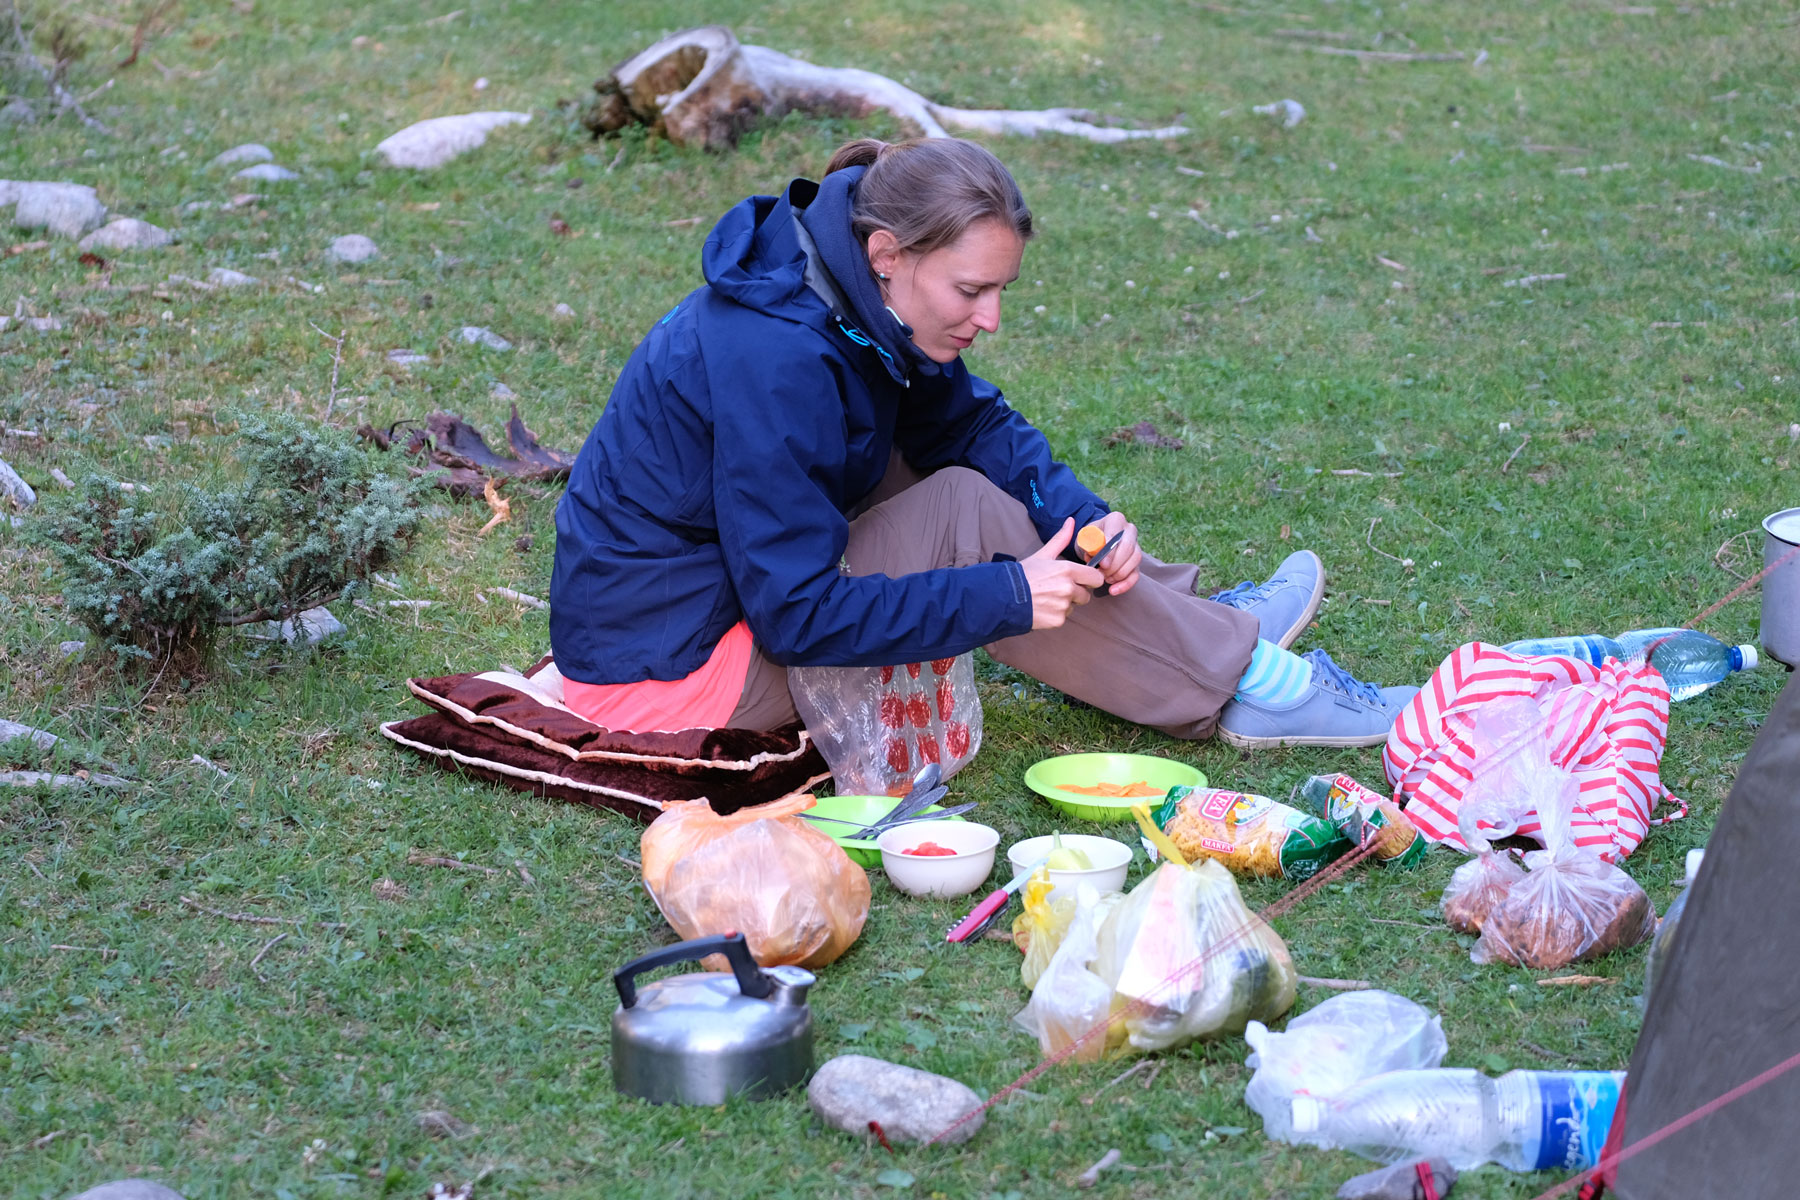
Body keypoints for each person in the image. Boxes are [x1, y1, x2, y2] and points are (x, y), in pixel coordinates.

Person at [550, 136, 1417, 747]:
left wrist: (1088, 520)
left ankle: (1202, 626)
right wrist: (1004, 596)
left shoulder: (843, 288)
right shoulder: (779, 357)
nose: (990, 318)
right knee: (964, 509)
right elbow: (798, 614)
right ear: (888, 251)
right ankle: (1245, 688)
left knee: (948, 456)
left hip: (712, 604)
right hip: (674, 672)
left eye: (1001, 289)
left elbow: (967, 423)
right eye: (971, 289)